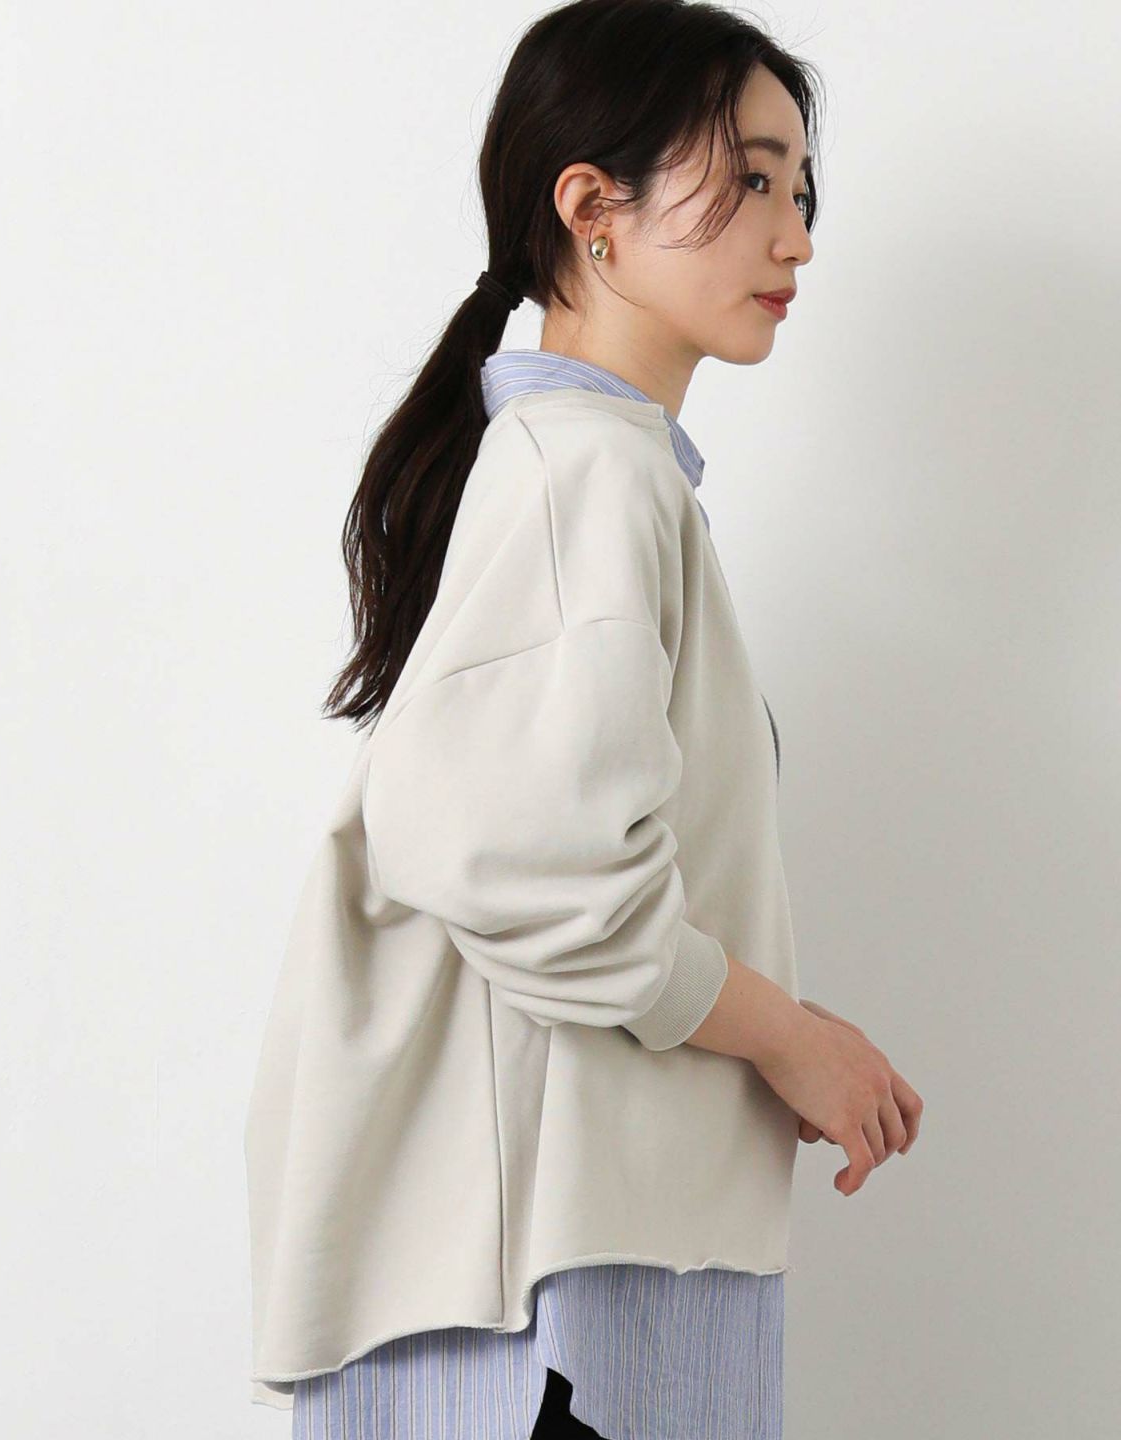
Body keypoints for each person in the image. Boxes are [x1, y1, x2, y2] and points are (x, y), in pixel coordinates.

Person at [243, 2, 924, 1436]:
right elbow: (525, 859)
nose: (796, 237)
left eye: (802, 192)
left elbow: (552, 864)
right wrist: (788, 1038)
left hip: (565, 1264)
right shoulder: (585, 476)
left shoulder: (596, 471)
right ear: (591, 209)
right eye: (750, 180)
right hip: (544, 1299)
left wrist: (787, 1027)